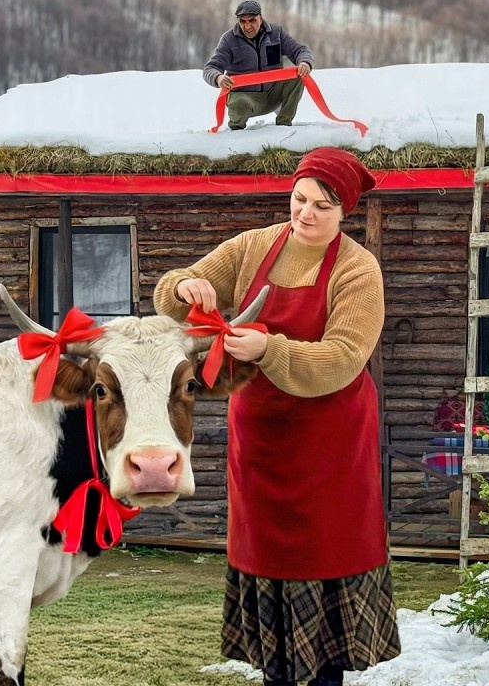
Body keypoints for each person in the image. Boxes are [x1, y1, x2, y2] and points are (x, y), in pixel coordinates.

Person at [153, 148, 399, 686]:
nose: (305, 213)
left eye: (321, 206)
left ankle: (328, 675)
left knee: (324, 559)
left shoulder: (358, 269)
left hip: (329, 448)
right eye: (299, 199)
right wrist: (183, 287)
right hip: (261, 444)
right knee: (269, 569)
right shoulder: (253, 246)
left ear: (344, 212)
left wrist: (268, 350)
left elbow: (340, 360)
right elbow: (176, 291)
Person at [203, 0, 314, 131]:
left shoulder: (276, 33)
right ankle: (235, 131)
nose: (247, 26)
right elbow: (210, 68)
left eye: (252, 21)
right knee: (240, 104)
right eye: (242, 21)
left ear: (260, 18)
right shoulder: (228, 40)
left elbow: (300, 50)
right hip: (244, 97)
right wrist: (218, 78)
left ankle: (284, 126)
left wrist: (305, 62)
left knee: (298, 76)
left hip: (272, 93)